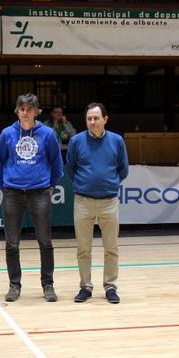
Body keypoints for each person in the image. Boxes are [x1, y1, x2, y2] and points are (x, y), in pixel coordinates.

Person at [0, 93, 63, 303]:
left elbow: (56, 162)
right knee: (12, 243)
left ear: (36, 111)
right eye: (22, 108)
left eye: (29, 109)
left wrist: (51, 185)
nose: (25, 112)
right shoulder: (7, 134)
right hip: (13, 193)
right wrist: (3, 187)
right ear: (17, 111)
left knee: (45, 241)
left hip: (39, 193)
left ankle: (48, 284)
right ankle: (14, 285)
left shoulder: (48, 134)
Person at [66, 102, 129, 304]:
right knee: (83, 248)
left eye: (96, 118)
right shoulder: (76, 141)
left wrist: (109, 184)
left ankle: (110, 286)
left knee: (111, 247)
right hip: (83, 201)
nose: (92, 122)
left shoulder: (117, 141)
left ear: (105, 119)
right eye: (89, 119)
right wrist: (82, 185)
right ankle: (85, 286)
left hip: (109, 202)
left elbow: (123, 169)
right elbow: (70, 169)